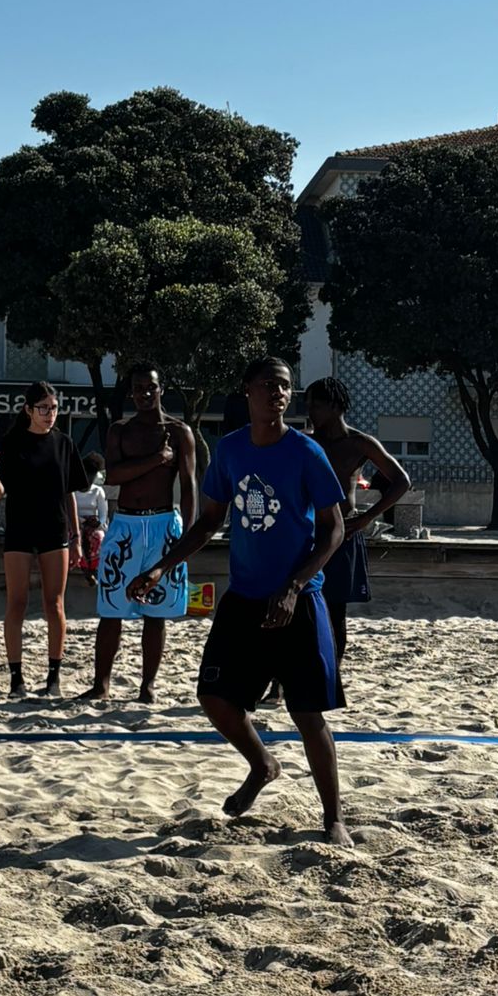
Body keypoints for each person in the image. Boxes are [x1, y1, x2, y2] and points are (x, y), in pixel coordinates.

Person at [128, 357, 349, 845]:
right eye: (268, 384)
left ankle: (333, 818)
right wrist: (162, 566)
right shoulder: (230, 450)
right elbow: (210, 521)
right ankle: (262, 764)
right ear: (247, 390)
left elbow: (333, 530)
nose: (278, 393)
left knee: (306, 714)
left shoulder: (306, 451)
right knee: (214, 698)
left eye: (285, 386)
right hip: (244, 597)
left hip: (298, 598)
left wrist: (294, 586)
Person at [87, 367, 197, 704]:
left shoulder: (179, 432)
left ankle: (147, 685)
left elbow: (189, 486)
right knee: (111, 609)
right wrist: (156, 459)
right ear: (131, 392)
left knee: (157, 611)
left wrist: (188, 535)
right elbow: (113, 475)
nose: (145, 394)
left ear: (161, 389)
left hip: (164, 524)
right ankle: (101, 684)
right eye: (138, 388)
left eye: (151, 387)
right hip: (126, 525)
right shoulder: (121, 430)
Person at [0, 381, 89, 698]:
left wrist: (76, 536)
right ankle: (16, 679)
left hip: (55, 530)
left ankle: (53, 677)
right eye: (43, 408)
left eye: (54, 408)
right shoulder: (12, 442)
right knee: (17, 602)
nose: (50, 414)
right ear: (28, 410)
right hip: (20, 529)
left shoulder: (64, 443)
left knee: (54, 604)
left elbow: (69, 492)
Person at [303, 378, 410, 669]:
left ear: (336, 406)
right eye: (308, 405)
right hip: (305, 533)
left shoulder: (359, 443)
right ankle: (281, 681)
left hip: (342, 534)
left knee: (335, 612)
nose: (310, 411)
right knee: (297, 606)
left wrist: (367, 517)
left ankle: (331, 676)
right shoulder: (304, 441)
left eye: (316, 405)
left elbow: (401, 481)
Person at [74, 455, 110, 583]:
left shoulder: (98, 491)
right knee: (77, 537)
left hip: (93, 525)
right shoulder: (73, 491)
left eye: (92, 475)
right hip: (76, 523)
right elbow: (68, 511)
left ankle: (93, 568)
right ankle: (84, 568)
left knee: (98, 537)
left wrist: (99, 522)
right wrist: (81, 521)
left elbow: (103, 514)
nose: (89, 478)